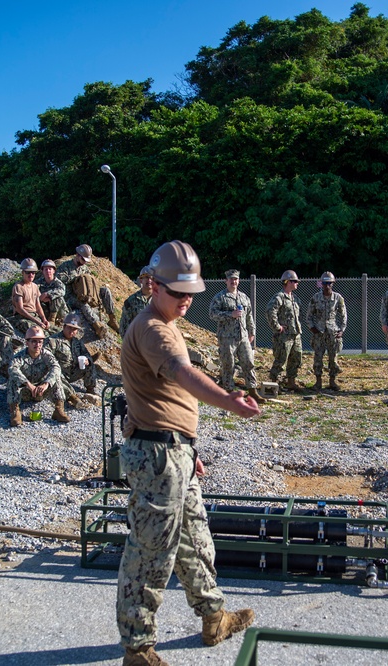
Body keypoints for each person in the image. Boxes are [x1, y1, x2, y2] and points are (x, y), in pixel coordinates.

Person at [117, 240, 259, 665]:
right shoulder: (153, 327)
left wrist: (187, 448)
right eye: (178, 293)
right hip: (158, 457)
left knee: (195, 541)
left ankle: (213, 616)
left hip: (173, 453)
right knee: (149, 554)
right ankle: (138, 648)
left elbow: (165, 397)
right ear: (153, 286)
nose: (186, 301)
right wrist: (230, 401)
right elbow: (183, 374)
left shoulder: (167, 321)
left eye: (190, 293)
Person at [209, 269, 264, 402]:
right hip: (227, 338)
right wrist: (229, 314)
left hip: (243, 336)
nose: (234, 282)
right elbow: (212, 314)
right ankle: (229, 392)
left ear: (238, 281)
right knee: (228, 364)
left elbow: (249, 316)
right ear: (226, 281)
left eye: (236, 279)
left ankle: (252, 391)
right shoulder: (220, 297)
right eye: (231, 279)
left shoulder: (244, 297)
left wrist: (252, 332)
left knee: (249, 362)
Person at [8, 325, 70, 426]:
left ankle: (59, 409)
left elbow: (56, 367)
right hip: (26, 391)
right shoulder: (19, 356)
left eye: (40, 342)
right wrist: (28, 384)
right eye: (34, 341)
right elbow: (12, 368)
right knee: (13, 378)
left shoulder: (46, 354)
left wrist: (46, 384)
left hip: (41, 391)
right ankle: (15, 411)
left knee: (56, 376)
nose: (37, 345)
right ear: (27, 342)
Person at [56, 243, 119, 336]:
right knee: (83, 304)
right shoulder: (65, 267)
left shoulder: (84, 268)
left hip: (85, 293)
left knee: (105, 291)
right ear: (77, 255)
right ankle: (97, 325)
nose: (84, 262)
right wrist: (75, 278)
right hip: (71, 296)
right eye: (83, 259)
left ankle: (112, 319)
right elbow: (58, 279)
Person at [305, 272, 348, 391]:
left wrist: (341, 330)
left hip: (332, 332)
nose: (327, 286)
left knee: (333, 357)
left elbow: (344, 315)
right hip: (319, 332)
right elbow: (309, 316)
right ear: (321, 284)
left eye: (329, 283)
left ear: (333, 284)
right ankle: (318, 382)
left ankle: (332, 381)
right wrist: (313, 328)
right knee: (318, 358)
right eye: (324, 283)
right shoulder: (315, 298)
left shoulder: (338, 298)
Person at [47, 313, 99, 408]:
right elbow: (45, 356)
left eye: (74, 329)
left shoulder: (77, 342)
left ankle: (90, 388)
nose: (72, 331)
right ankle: (72, 397)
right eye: (69, 328)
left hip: (73, 371)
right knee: (55, 375)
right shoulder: (54, 340)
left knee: (90, 363)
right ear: (64, 327)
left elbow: (86, 354)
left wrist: (87, 359)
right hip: (60, 373)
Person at [266, 269, 303, 391]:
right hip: (284, 336)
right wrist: (277, 327)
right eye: (294, 281)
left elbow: (299, 314)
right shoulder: (279, 297)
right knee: (281, 359)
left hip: (295, 334)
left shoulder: (295, 298)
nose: (297, 283)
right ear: (288, 282)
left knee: (296, 358)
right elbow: (270, 311)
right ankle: (274, 383)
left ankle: (291, 382)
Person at [11, 258, 50, 334]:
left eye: (33, 272)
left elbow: (38, 306)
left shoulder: (35, 286)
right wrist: (37, 322)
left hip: (34, 316)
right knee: (38, 332)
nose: (31, 275)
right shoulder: (18, 287)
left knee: (55, 331)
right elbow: (20, 309)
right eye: (28, 272)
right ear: (23, 272)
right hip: (22, 317)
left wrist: (44, 319)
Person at [119, 265, 153, 336]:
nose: (149, 280)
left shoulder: (161, 301)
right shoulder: (131, 301)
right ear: (141, 280)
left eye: (151, 277)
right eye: (146, 277)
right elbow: (123, 327)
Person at [36, 259, 69, 327]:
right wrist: (40, 298)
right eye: (46, 269)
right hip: (44, 309)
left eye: (50, 269)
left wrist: (47, 294)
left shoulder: (58, 282)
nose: (48, 271)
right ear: (42, 271)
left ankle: (52, 319)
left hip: (60, 311)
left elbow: (62, 291)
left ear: (54, 271)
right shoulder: (38, 282)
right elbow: (33, 292)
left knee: (58, 297)